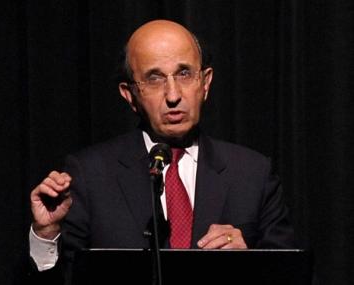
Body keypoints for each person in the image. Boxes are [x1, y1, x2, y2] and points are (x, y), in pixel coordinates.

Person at [29, 19, 296, 281]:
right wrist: (46, 234)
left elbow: (294, 275)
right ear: (129, 94)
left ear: (205, 82)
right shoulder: (90, 175)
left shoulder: (252, 173)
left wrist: (250, 263)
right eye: (154, 79)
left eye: (184, 74)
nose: (173, 95)